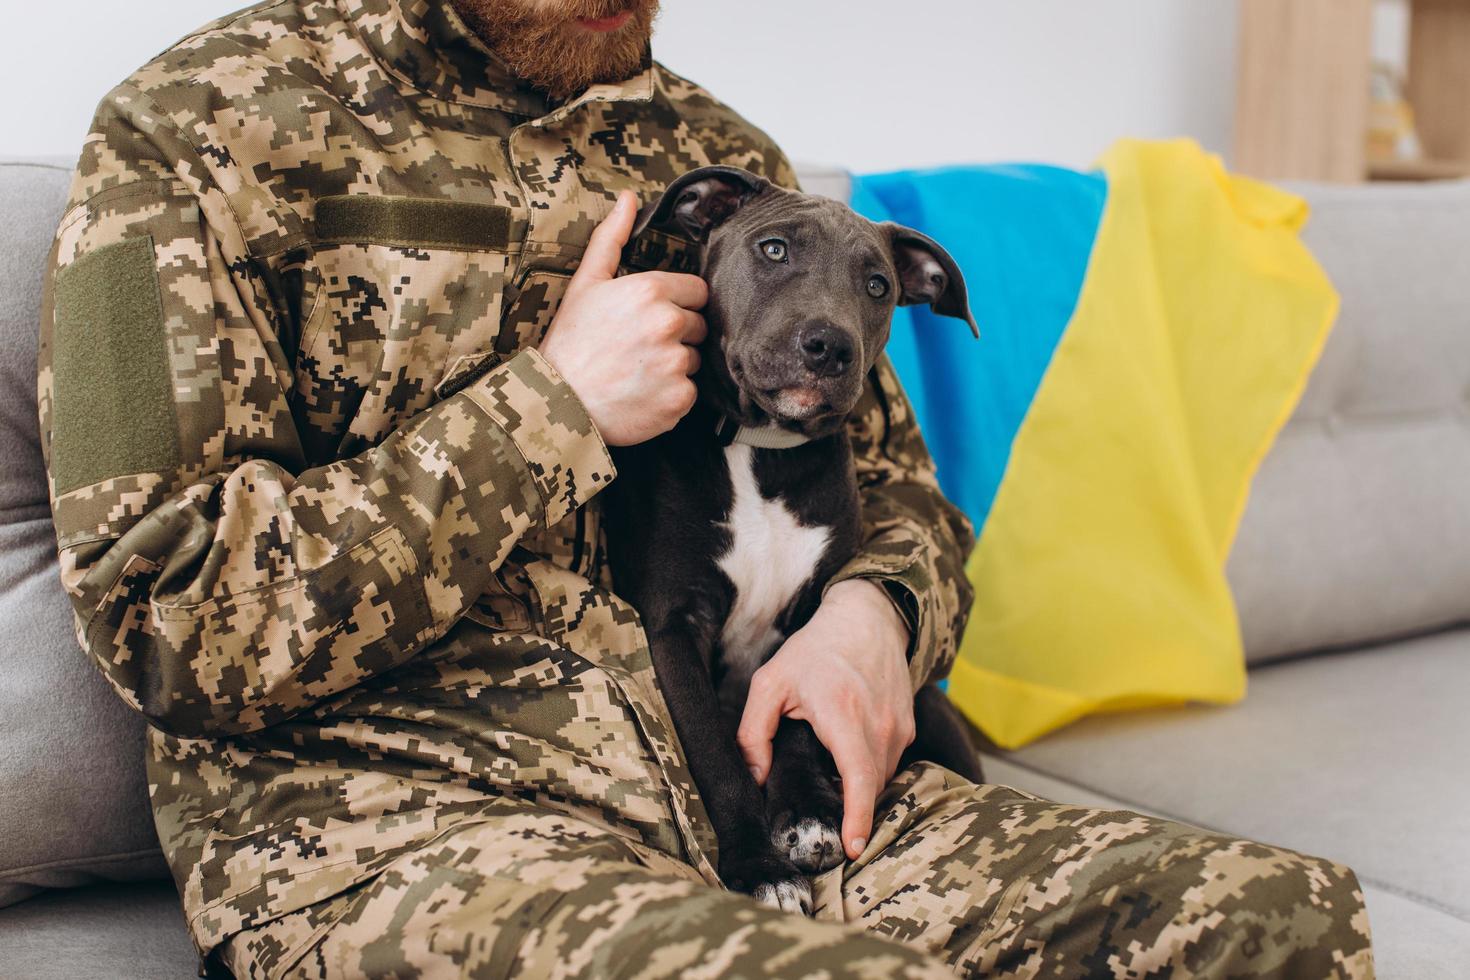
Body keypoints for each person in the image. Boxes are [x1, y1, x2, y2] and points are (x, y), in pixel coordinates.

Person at [40, 0, 1374, 976]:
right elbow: (163, 610)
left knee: (1282, 924)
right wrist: (547, 412)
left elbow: (896, 487)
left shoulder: (708, 145)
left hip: (776, 787)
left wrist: (876, 620)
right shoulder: (188, 133)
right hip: (406, 824)